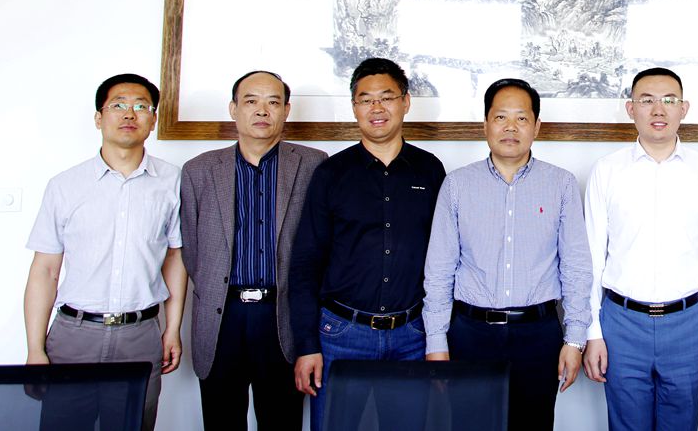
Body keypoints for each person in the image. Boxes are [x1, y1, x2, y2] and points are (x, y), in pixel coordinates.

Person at [423, 78, 592, 430]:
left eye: (521, 118)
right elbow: (439, 271)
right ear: (485, 123)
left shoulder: (560, 184)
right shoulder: (457, 185)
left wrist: (575, 339)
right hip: (471, 334)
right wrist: (436, 342)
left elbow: (576, 268)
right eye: (501, 117)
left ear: (537, 126)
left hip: (538, 335)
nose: (510, 127)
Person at [289, 57, 446, 431]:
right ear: (354, 107)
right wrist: (307, 345)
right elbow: (306, 261)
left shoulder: (430, 170)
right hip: (342, 335)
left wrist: (439, 338)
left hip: (412, 334)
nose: (377, 108)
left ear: (405, 102)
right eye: (366, 99)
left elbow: (445, 259)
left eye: (387, 97)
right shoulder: (331, 173)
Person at [24, 73, 186, 431]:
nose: (130, 113)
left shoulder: (173, 182)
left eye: (141, 106)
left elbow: (175, 258)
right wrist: (35, 348)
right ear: (99, 118)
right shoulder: (65, 186)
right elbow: (45, 270)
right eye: (118, 105)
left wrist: (172, 329)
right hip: (73, 336)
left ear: (153, 120)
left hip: (140, 335)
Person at [583, 67, 698, 431]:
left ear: (684, 108)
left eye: (669, 100)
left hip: (689, 323)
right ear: (630, 109)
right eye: (647, 100)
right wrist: (592, 332)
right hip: (621, 323)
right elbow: (591, 259)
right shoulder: (606, 171)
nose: (658, 109)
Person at [180, 70, 328, 431]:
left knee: (282, 421)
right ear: (234, 109)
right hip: (222, 316)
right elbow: (192, 252)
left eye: (273, 102)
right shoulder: (199, 170)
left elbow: (322, 244)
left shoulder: (314, 164)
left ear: (286, 110)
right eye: (251, 101)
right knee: (221, 421)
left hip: (283, 314)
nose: (262, 110)